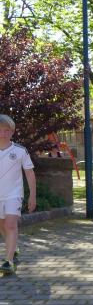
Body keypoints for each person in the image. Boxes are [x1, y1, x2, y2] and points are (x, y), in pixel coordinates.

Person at [0, 115, 36, 275]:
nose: (3, 133)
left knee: (10, 224)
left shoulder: (20, 151)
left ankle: (8, 262)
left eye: (6, 130)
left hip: (13, 195)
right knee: (2, 225)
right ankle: (13, 248)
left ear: (12, 131)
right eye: (0, 130)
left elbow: (29, 173)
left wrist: (32, 196)